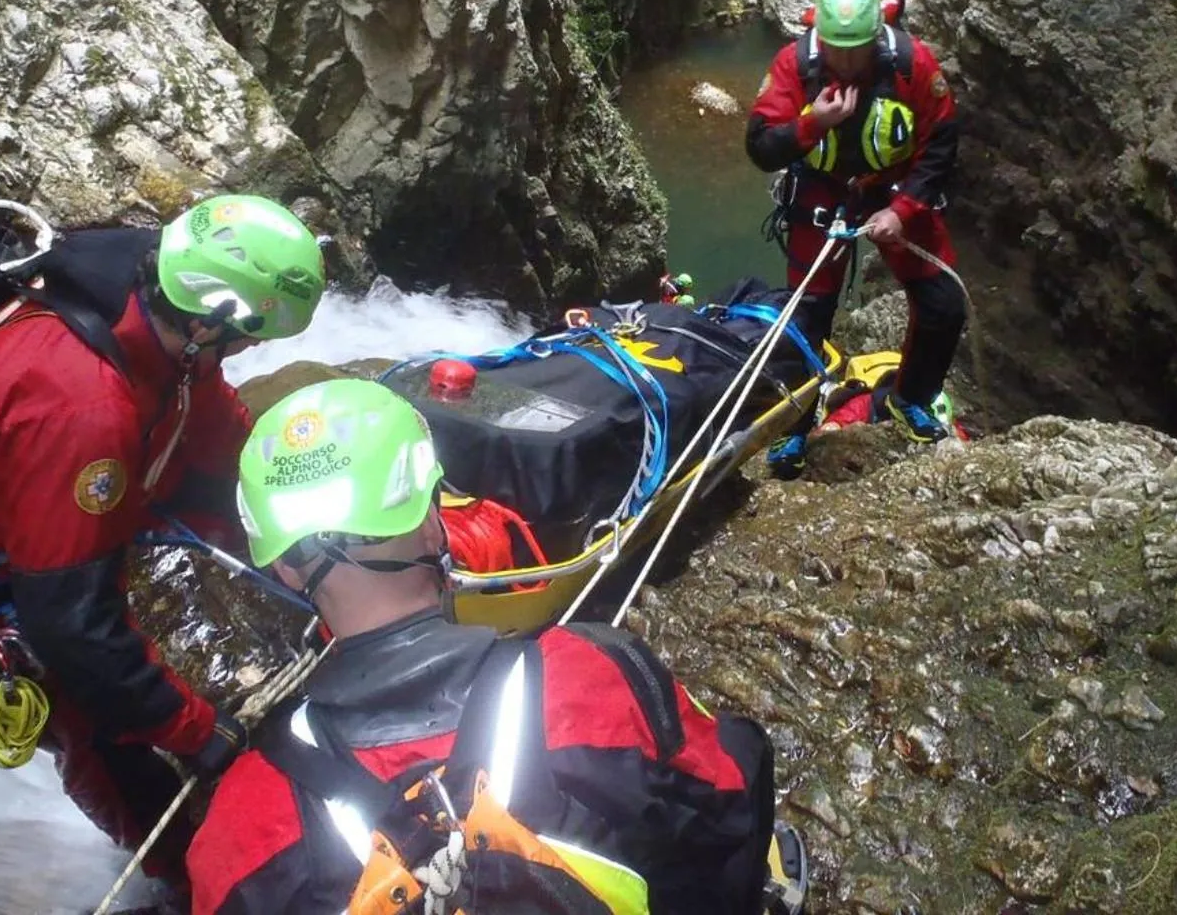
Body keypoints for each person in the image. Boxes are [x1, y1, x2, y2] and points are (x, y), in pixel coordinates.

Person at [187, 378, 807, 915]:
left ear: (286, 571)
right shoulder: (594, 673)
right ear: (432, 518)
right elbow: (722, 797)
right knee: (735, 755)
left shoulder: (239, 823)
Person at [0, 193, 326, 888]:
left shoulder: (142, 288)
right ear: (210, 321)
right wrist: (194, 732)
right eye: (252, 337)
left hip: (65, 495)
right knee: (102, 733)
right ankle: (186, 875)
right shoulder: (82, 407)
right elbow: (71, 627)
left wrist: (300, 531)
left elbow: (210, 427)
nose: (255, 350)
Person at [746, 0, 964, 474]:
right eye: (835, 47)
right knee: (806, 321)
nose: (844, 61)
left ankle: (909, 398)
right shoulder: (795, 65)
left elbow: (941, 142)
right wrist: (813, 123)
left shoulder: (913, 65)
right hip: (822, 196)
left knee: (944, 306)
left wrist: (903, 209)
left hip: (894, 190)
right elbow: (760, 145)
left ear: (875, 37)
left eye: (856, 49)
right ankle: (794, 428)